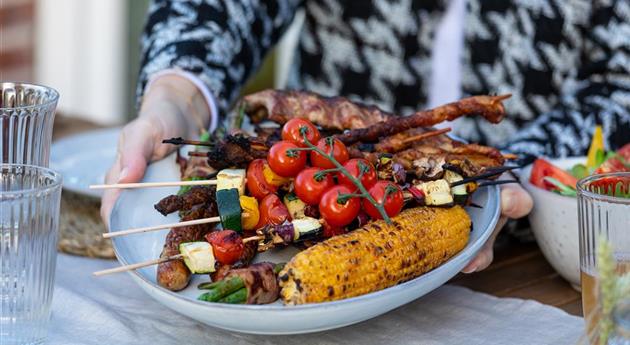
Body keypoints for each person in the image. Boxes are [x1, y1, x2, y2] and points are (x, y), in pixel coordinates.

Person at [102, 0, 629, 273]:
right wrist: (176, 93)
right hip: (312, 213)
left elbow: (620, 82)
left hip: (536, 247)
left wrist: (502, 177)